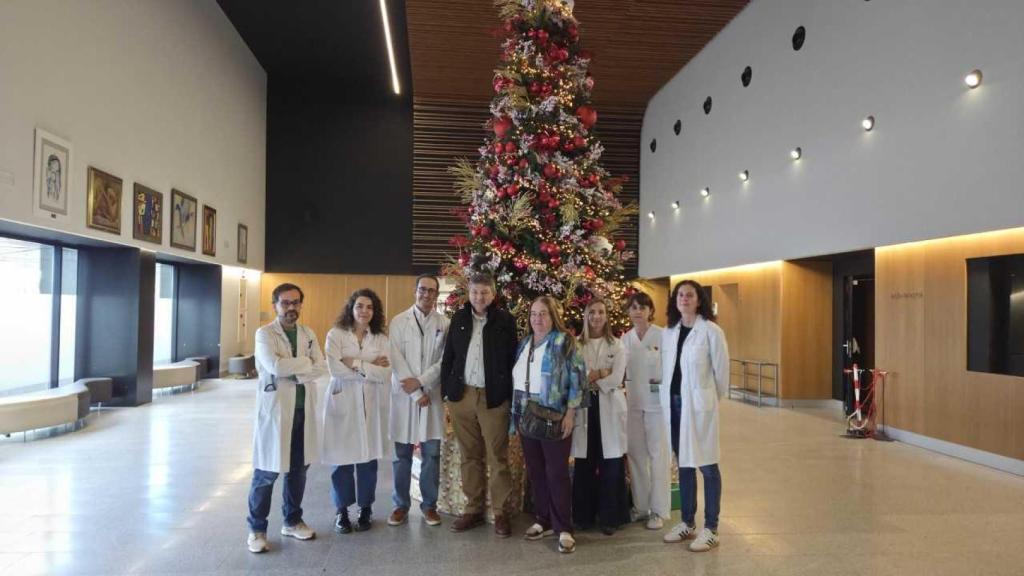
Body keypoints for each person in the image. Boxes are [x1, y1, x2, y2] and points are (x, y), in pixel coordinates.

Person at [246, 283, 327, 554]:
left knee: (298, 470)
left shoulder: (308, 333)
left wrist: (294, 369)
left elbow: (322, 365)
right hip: (276, 412)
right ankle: (257, 530)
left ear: (301, 305)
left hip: (302, 411)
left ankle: (292, 521)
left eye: (295, 303)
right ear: (275, 305)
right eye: (285, 303)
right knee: (266, 472)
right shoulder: (264, 334)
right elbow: (274, 366)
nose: (291, 308)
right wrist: (303, 365)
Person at [440, 271, 519, 537]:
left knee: (497, 457)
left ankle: (500, 513)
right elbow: (448, 356)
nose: (479, 297)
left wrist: (506, 394)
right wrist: (447, 392)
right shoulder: (459, 319)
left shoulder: (505, 321)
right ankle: (472, 509)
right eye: (474, 292)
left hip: (493, 398)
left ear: (493, 294)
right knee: (469, 455)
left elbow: (511, 360)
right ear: (469, 293)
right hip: (461, 397)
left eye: (484, 292)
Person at [660, 280, 730, 552]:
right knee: (684, 463)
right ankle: (687, 522)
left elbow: (722, 375)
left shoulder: (711, 331)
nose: (684, 299)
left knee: (708, 465)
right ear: (675, 300)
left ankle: (710, 527)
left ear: (699, 300)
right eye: (680, 295)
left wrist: (707, 400)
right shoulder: (669, 332)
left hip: (700, 407)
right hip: (674, 405)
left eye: (690, 295)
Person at [513, 296, 585, 554]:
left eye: (543, 313)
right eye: (534, 313)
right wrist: (516, 416)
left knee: (557, 473)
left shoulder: (564, 341)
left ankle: (564, 527)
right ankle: (542, 519)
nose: (537, 318)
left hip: (554, 415)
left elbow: (577, 379)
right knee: (536, 471)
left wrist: (571, 414)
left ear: (553, 315)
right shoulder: (524, 344)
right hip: (525, 414)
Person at [321, 289, 391, 534]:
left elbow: (385, 374)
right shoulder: (336, 334)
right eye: (360, 306)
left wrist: (356, 362)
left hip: (370, 403)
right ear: (351, 308)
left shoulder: (380, 338)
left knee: (368, 460)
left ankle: (365, 509)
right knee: (341, 460)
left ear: (375, 311)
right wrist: (370, 367)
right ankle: (342, 511)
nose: (364, 311)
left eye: (369, 307)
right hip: (342, 401)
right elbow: (334, 370)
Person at [387, 274, 450, 527]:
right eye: (422, 289)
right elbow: (396, 359)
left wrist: (423, 383)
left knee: (431, 454)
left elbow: (444, 361)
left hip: (431, 394)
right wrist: (415, 391)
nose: (427, 295)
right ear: (415, 291)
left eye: (432, 291)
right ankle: (401, 505)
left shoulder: (444, 323)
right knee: (401, 454)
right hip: (405, 396)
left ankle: (429, 506)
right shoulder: (398, 322)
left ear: (436, 295)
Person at [571, 298, 628, 535]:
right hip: (584, 408)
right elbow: (576, 377)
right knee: (584, 464)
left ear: (607, 316)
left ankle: (610, 517)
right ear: (585, 315)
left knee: (610, 464)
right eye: (592, 312)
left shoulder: (617, 344)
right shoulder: (575, 345)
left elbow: (617, 379)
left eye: (601, 312)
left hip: (609, 405)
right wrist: (600, 373)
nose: (596, 316)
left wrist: (595, 377)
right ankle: (583, 517)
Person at [623, 292, 671, 530]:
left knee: (658, 456)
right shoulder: (625, 339)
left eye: (642, 307)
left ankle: (659, 510)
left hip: (656, 406)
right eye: (633, 308)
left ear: (650, 310)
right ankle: (641, 507)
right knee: (636, 455)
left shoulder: (662, 336)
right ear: (628, 312)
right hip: (632, 405)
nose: (638, 311)